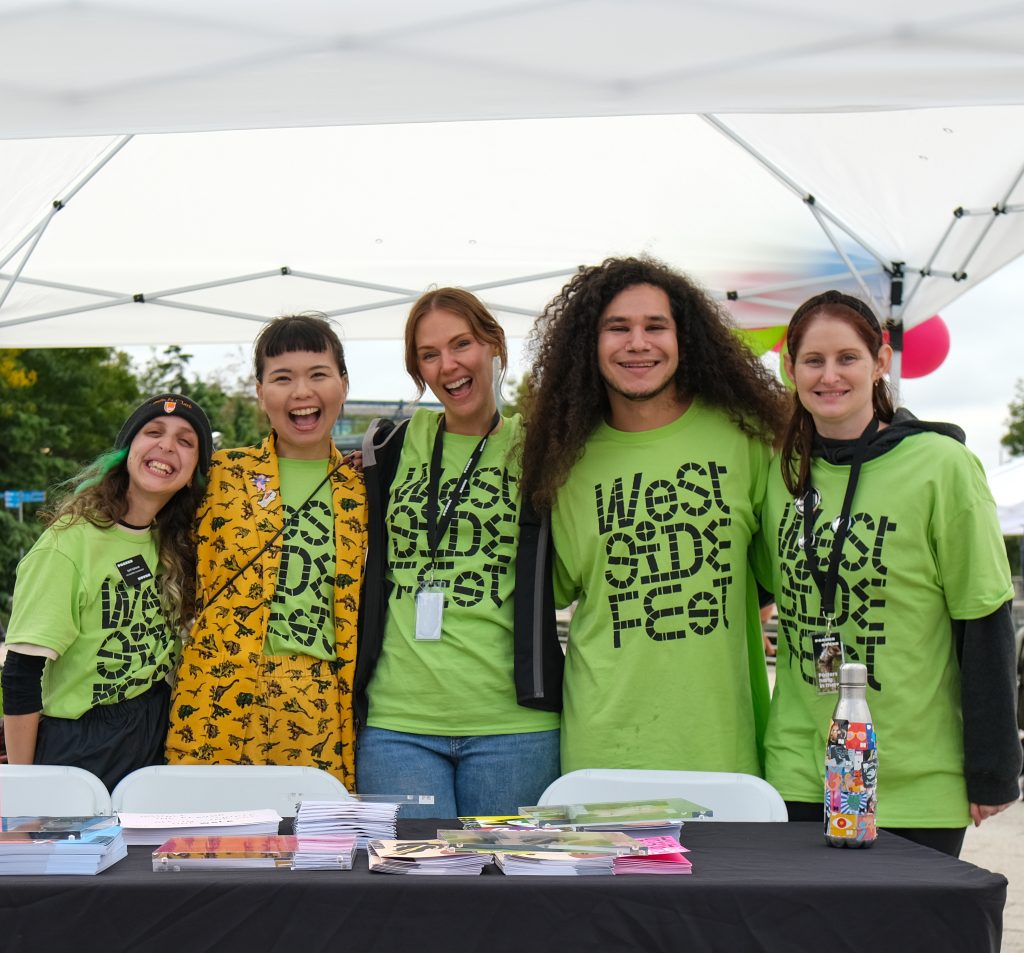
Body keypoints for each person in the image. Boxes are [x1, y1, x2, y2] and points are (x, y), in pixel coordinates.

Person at [755, 289, 1021, 856]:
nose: (830, 376)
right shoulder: (778, 473)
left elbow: (983, 614)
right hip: (798, 774)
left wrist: (993, 766)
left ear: (880, 362)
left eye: (847, 358)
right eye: (813, 361)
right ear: (791, 369)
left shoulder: (942, 467)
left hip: (913, 779)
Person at [520, 256, 789, 777]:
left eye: (655, 326)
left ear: (684, 339)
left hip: (722, 751)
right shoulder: (564, 460)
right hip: (602, 750)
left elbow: (780, 577)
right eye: (617, 328)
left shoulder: (748, 439)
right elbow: (550, 591)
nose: (637, 343)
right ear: (588, 345)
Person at [355, 287, 563, 817]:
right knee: (411, 892)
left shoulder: (538, 448)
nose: (449, 365)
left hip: (515, 727)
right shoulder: (391, 447)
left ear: (493, 343)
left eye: (462, 343)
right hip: (399, 726)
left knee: (508, 892)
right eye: (429, 354)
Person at [164, 314, 367, 787]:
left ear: (343, 384)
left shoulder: (368, 488)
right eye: (282, 378)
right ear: (260, 392)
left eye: (318, 374)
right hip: (217, 694)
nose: (301, 392)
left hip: (323, 707)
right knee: (208, 846)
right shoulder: (217, 475)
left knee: (317, 851)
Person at [1, 393, 213, 791]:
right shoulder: (67, 546)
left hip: (157, 738)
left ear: (194, 472)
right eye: (153, 432)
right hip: (84, 749)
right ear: (127, 450)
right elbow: (20, 675)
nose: (167, 445)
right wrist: (22, 788)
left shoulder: (176, 543)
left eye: (186, 441)